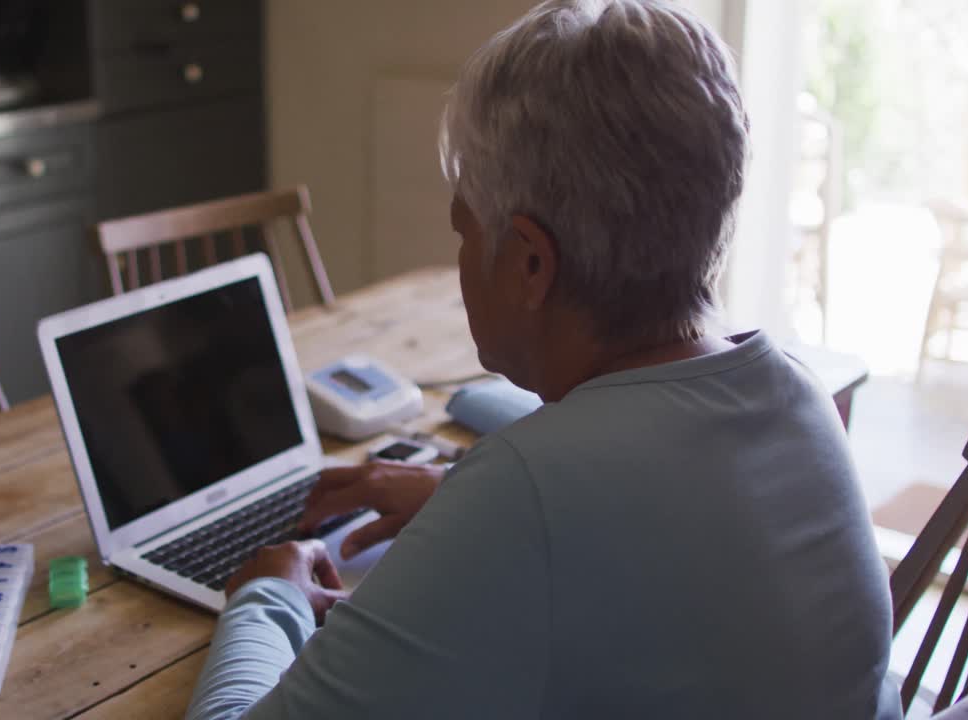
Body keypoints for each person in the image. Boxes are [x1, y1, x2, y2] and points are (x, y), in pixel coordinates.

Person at [183, 1, 902, 718]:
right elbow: (647, 540)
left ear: (529, 263)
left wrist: (268, 593)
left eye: (465, 231)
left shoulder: (525, 495)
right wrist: (456, 494)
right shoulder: (800, 400)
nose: (460, 257)